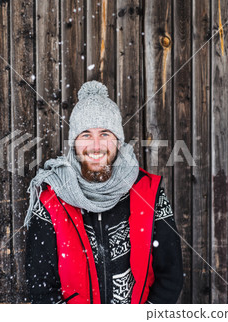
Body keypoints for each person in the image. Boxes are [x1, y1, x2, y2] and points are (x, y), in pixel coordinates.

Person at [24, 81, 183, 304]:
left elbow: (170, 276)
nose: (96, 146)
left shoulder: (149, 194)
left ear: (118, 140)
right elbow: (41, 287)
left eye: (105, 134)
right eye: (86, 134)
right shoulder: (52, 199)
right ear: (74, 142)